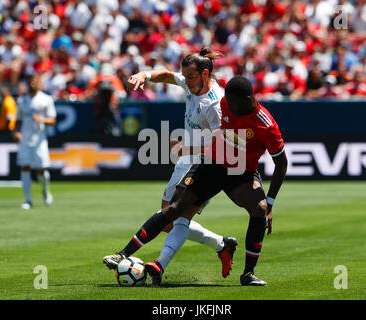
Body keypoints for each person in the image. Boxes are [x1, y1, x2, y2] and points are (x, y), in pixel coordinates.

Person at [104, 75, 288, 286]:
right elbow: (217, 136)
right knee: (173, 209)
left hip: (240, 172)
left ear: (248, 98)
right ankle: (123, 253)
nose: (227, 105)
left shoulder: (265, 123)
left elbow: (281, 164)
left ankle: (248, 274)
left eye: (232, 102)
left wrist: (271, 204)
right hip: (211, 165)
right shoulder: (226, 103)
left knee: (260, 209)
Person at [104, 48, 239, 279]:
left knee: (176, 215)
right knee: (169, 221)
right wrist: (144, 75)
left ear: (206, 74)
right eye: (185, 76)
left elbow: (223, 145)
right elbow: (166, 75)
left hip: (209, 165)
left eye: (191, 77)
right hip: (187, 160)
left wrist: (186, 148)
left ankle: (152, 263)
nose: (186, 81)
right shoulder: (190, 83)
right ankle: (222, 244)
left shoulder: (215, 104)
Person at [13, 75, 57, 210]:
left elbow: (53, 120)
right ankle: (28, 199)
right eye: (32, 81)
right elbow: (18, 120)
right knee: (24, 167)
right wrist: (17, 132)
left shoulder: (46, 99)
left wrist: (41, 119)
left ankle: (45, 190)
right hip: (25, 139)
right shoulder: (22, 101)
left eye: (36, 81)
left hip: (39, 140)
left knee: (41, 170)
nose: (34, 84)